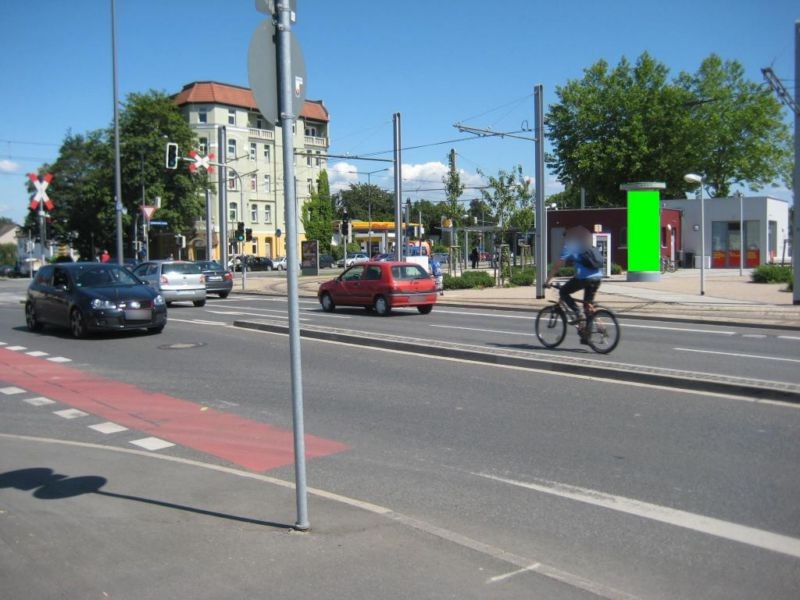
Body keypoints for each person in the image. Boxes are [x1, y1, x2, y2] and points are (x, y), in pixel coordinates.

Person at [545, 226, 603, 342]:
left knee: (563, 291)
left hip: (585, 278)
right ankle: (586, 336)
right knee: (588, 305)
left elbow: (558, 265)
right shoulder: (584, 245)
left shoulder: (569, 246)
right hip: (598, 277)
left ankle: (577, 312)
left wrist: (547, 281)